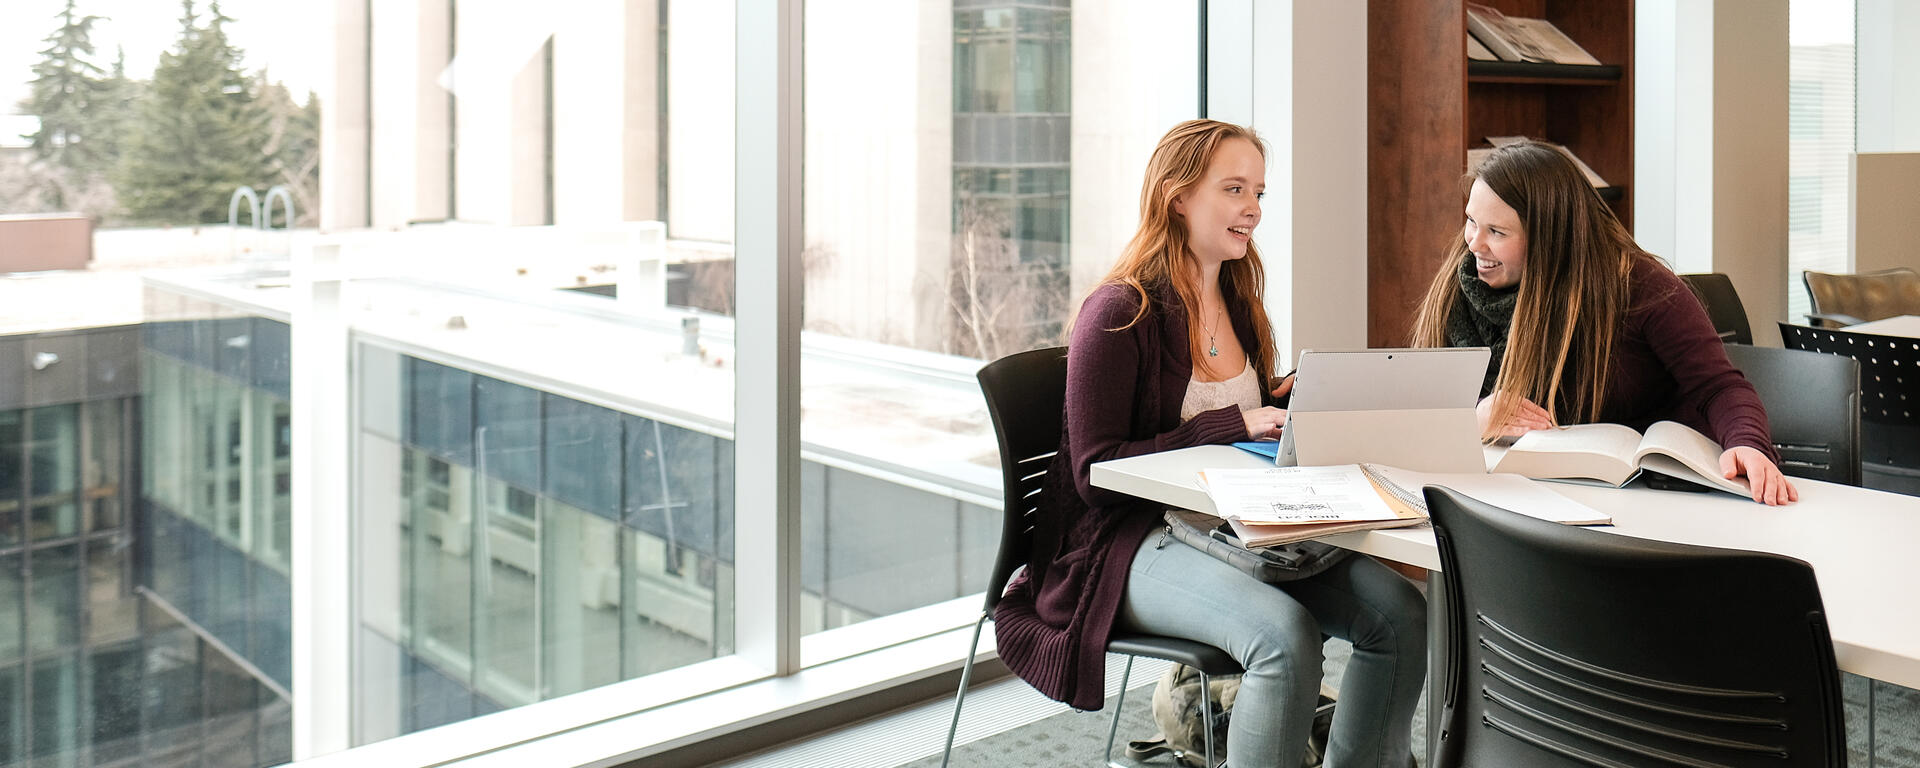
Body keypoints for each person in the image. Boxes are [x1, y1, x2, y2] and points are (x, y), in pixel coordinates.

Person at [993, 119, 1427, 768]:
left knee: (1399, 613)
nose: (1252, 208)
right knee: (1283, 639)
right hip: (1127, 538)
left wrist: (1291, 404)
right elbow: (1093, 471)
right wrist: (1232, 424)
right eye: (1233, 189)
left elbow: (1247, 417)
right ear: (1177, 197)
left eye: (1258, 191)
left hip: (1237, 523)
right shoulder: (1119, 311)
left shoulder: (1239, 295)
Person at [1409, 139, 1797, 506]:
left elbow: (1719, 387)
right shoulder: (1458, 288)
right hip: (1514, 496)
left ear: (1550, 240)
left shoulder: (1638, 284)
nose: (1474, 243)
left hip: (1653, 498)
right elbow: (1417, 415)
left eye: (1497, 232)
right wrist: (1474, 420)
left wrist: (1748, 444)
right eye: (1471, 221)